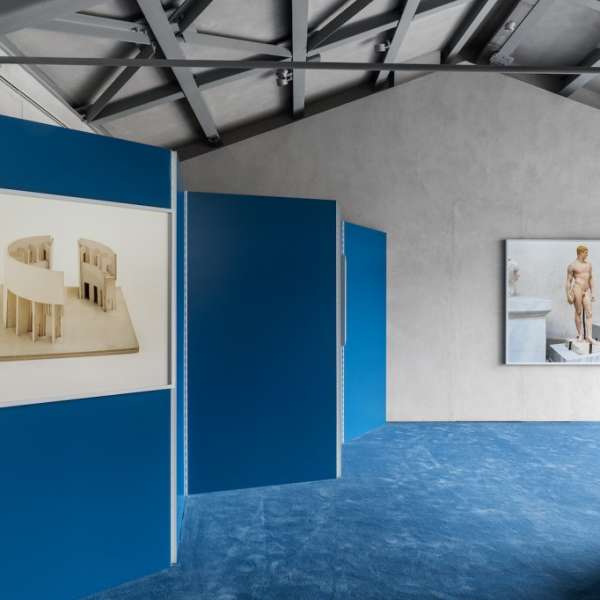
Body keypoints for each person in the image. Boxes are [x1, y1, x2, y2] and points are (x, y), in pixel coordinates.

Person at [566, 245, 595, 342]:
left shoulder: (589, 265)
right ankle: (580, 334)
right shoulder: (572, 266)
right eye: (586, 253)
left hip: (586, 290)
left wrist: (593, 292)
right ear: (580, 253)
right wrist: (568, 294)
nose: (587, 254)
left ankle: (589, 336)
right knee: (578, 312)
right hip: (577, 289)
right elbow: (568, 281)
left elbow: (590, 279)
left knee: (589, 313)